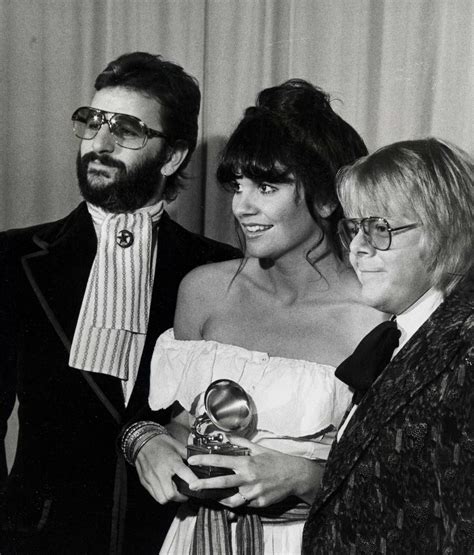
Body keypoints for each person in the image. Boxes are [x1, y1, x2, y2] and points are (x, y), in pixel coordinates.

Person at [121, 79, 384, 554]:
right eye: (237, 185)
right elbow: (184, 422)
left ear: (327, 197)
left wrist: (308, 478)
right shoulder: (203, 291)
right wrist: (150, 442)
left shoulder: (372, 316)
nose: (242, 207)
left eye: (266, 186)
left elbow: (398, 478)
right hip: (195, 537)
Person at [0, 52, 241, 554]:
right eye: (93, 123)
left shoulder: (221, 270)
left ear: (172, 157)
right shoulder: (12, 257)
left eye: (127, 130)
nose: (100, 144)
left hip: (169, 538)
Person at [302, 138, 473, 553]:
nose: (358, 249)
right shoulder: (401, 334)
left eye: (380, 229)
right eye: (353, 228)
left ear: (444, 231)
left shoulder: (466, 349)